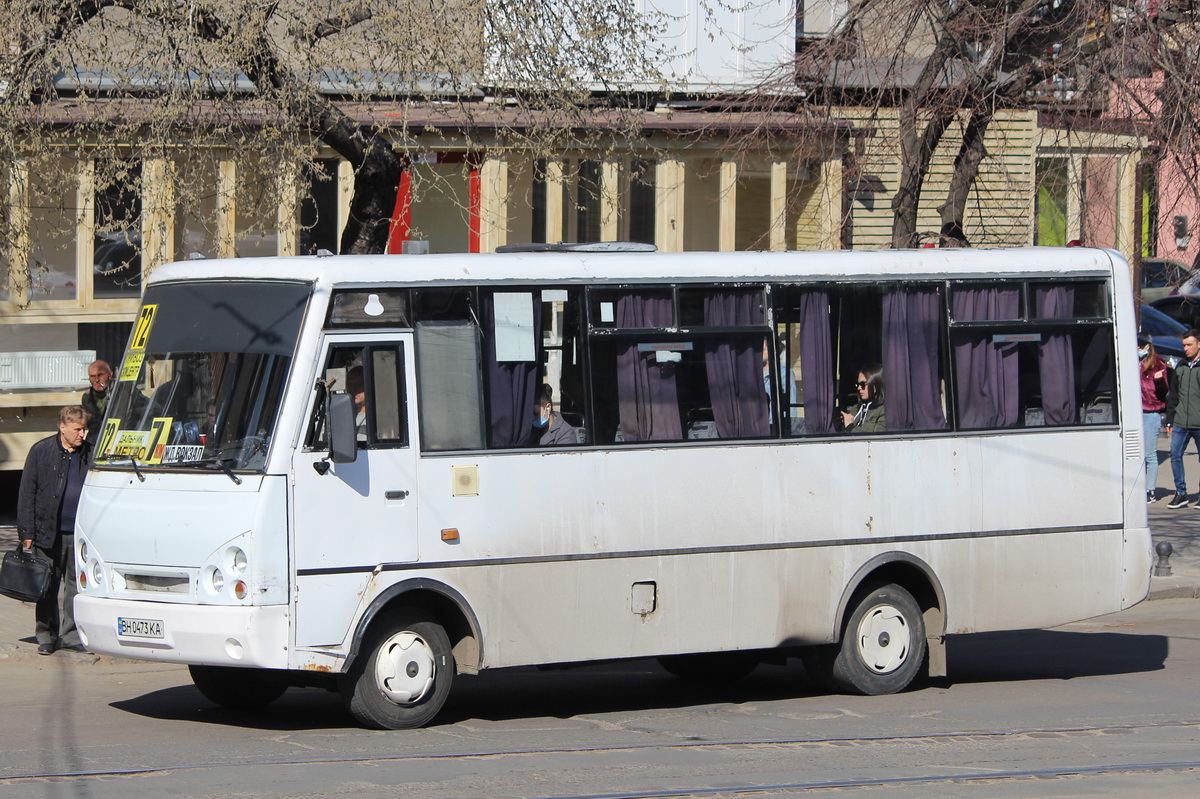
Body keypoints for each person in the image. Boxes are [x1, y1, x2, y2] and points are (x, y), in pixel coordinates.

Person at [17, 406, 93, 655]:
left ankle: (71, 636)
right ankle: (46, 635)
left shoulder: (89, 453)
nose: (83, 433)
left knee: (75, 587)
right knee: (47, 586)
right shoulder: (41, 451)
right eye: (77, 429)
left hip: (79, 533)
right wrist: (27, 533)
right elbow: (27, 494)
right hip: (47, 531)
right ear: (63, 427)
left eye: (84, 428)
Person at [1165, 329, 1200, 508]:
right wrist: (1169, 419)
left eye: (1189, 345)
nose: (1186, 349)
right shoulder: (1181, 366)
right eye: (1184, 345)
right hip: (1180, 421)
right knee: (1175, 455)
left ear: (1199, 344)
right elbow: (1173, 394)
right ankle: (1181, 493)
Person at [1139, 334, 1170, 503]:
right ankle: (1139, 487)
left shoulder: (1158, 364)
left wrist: (1158, 381)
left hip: (1150, 414)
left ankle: (1150, 490)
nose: (1138, 347)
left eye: (1141, 345)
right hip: (1134, 414)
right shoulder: (1131, 362)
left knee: (1149, 454)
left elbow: (1164, 390)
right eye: (1136, 344)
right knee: (1136, 455)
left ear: (1148, 346)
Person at [841, 364, 886, 433]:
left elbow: (878, 439)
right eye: (857, 384)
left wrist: (850, 427)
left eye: (863, 384)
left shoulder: (884, 411)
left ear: (876, 384)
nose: (859, 388)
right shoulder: (855, 409)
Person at [81, 360, 113, 440]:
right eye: (93, 376)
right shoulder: (87, 397)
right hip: (95, 444)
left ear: (110, 374)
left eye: (100, 375)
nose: (97, 380)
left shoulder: (123, 393)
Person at [345, 366, 367, 441]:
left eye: (359, 384)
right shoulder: (339, 416)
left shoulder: (379, 418)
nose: (353, 389)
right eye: (350, 384)